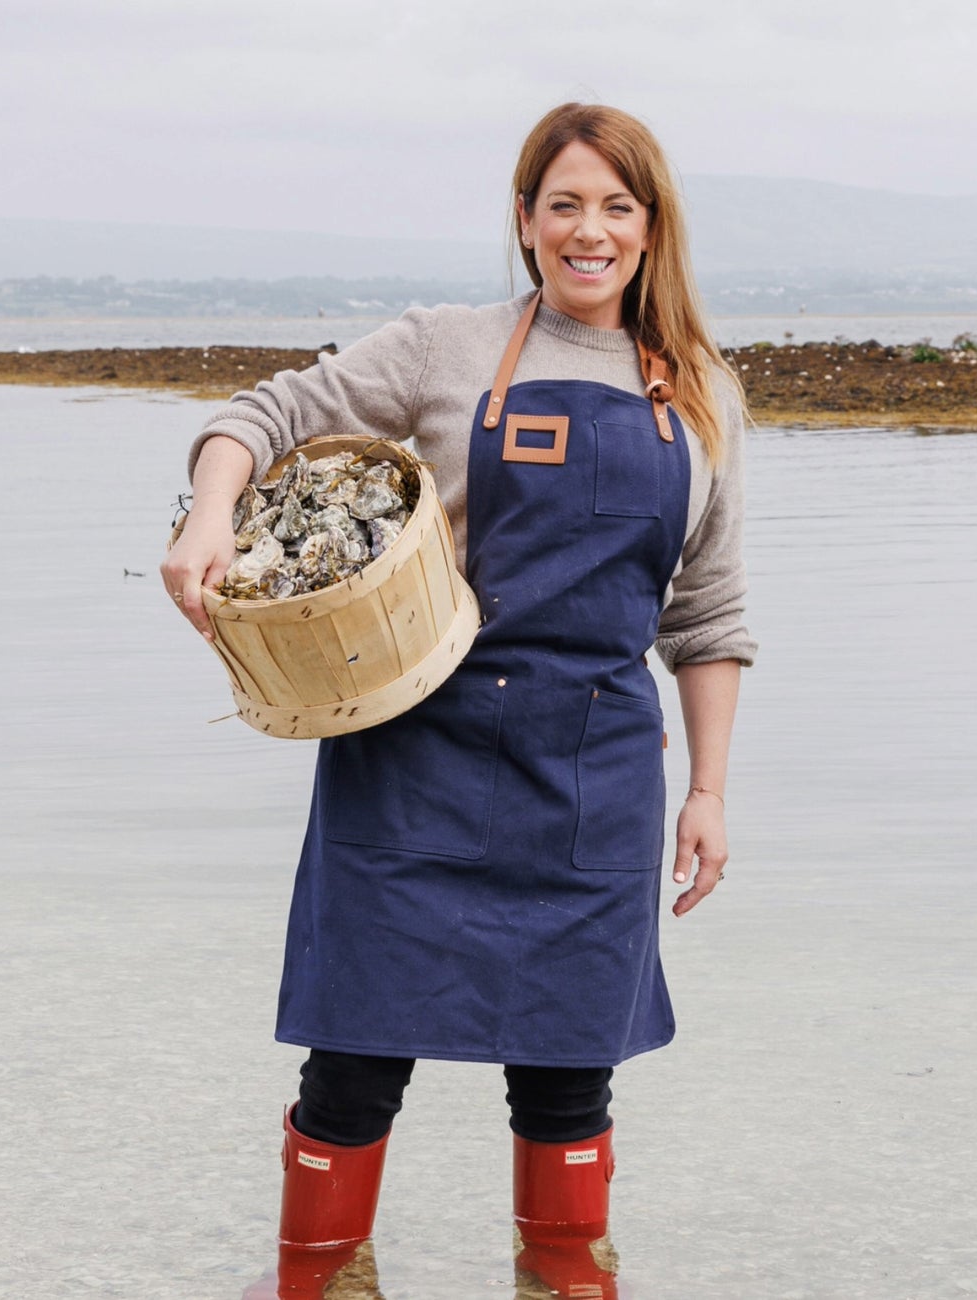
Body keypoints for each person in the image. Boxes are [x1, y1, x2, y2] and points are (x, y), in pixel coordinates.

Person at [161, 102, 757, 1299]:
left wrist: (705, 792)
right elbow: (260, 416)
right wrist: (211, 509)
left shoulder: (698, 396)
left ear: (651, 229)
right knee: (352, 1071)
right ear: (526, 222)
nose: (589, 231)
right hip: (410, 761)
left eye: (615, 207)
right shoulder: (447, 346)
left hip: (589, 777)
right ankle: (320, 1282)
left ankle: (565, 1282)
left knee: (566, 1081)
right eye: (563, 205)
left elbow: (707, 616)